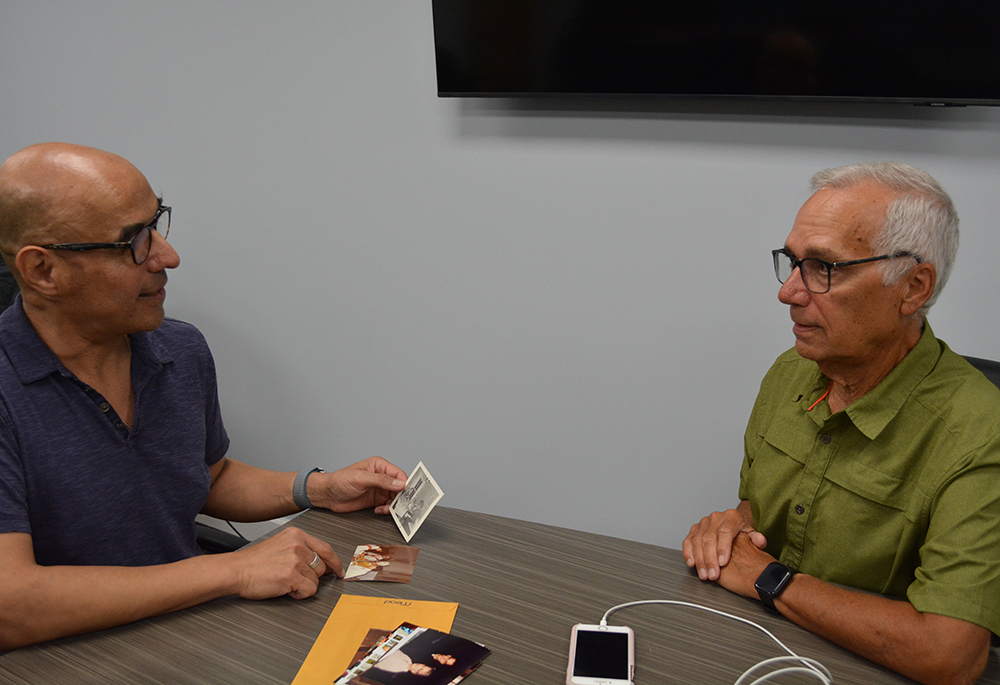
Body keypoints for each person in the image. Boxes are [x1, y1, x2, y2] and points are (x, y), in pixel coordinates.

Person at [0, 142, 408, 650]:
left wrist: (319, 488)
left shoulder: (179, 348)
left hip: (187, 631)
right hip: (71, 656)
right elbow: (9, 606)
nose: (168, 255)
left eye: (158, 223)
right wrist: (231, 571)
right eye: (134, 241)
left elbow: (207, 476)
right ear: (43, 272)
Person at [682, 162, 1000, 685]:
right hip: (767, 654)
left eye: (825, 268)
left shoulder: (979, 431)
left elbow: (951, 655)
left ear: (914, 287)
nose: (788, 293)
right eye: (793, 261)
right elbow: (758, 512)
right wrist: (730, 531)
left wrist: (768, 578)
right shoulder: (792, 371)